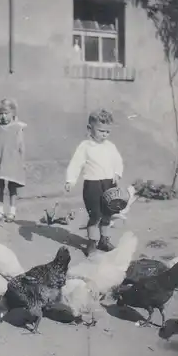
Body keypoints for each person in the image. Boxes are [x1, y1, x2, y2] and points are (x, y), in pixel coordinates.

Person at [65, 109, 123, 257]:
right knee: (95, 214)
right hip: (92, 185)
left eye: (107, 132)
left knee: (107, 214)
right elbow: (76, 163)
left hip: (109, 184)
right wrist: (70, 180)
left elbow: (118, 161)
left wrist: (117, 173)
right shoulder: (85, 146)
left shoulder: (110, 146)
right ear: (90, 128)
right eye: (101, 131)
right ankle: (92, 242)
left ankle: (104, 240)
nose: (104, 134)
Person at [0, 99, 26, 222]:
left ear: (13, 113)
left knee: (12, 186)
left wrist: (22, 161)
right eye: (1, 114)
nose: (3, 116)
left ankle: (12, 211)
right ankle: (0, 211)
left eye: (6, 113)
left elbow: (21, 146)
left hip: (12, 160)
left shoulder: (17, 128)